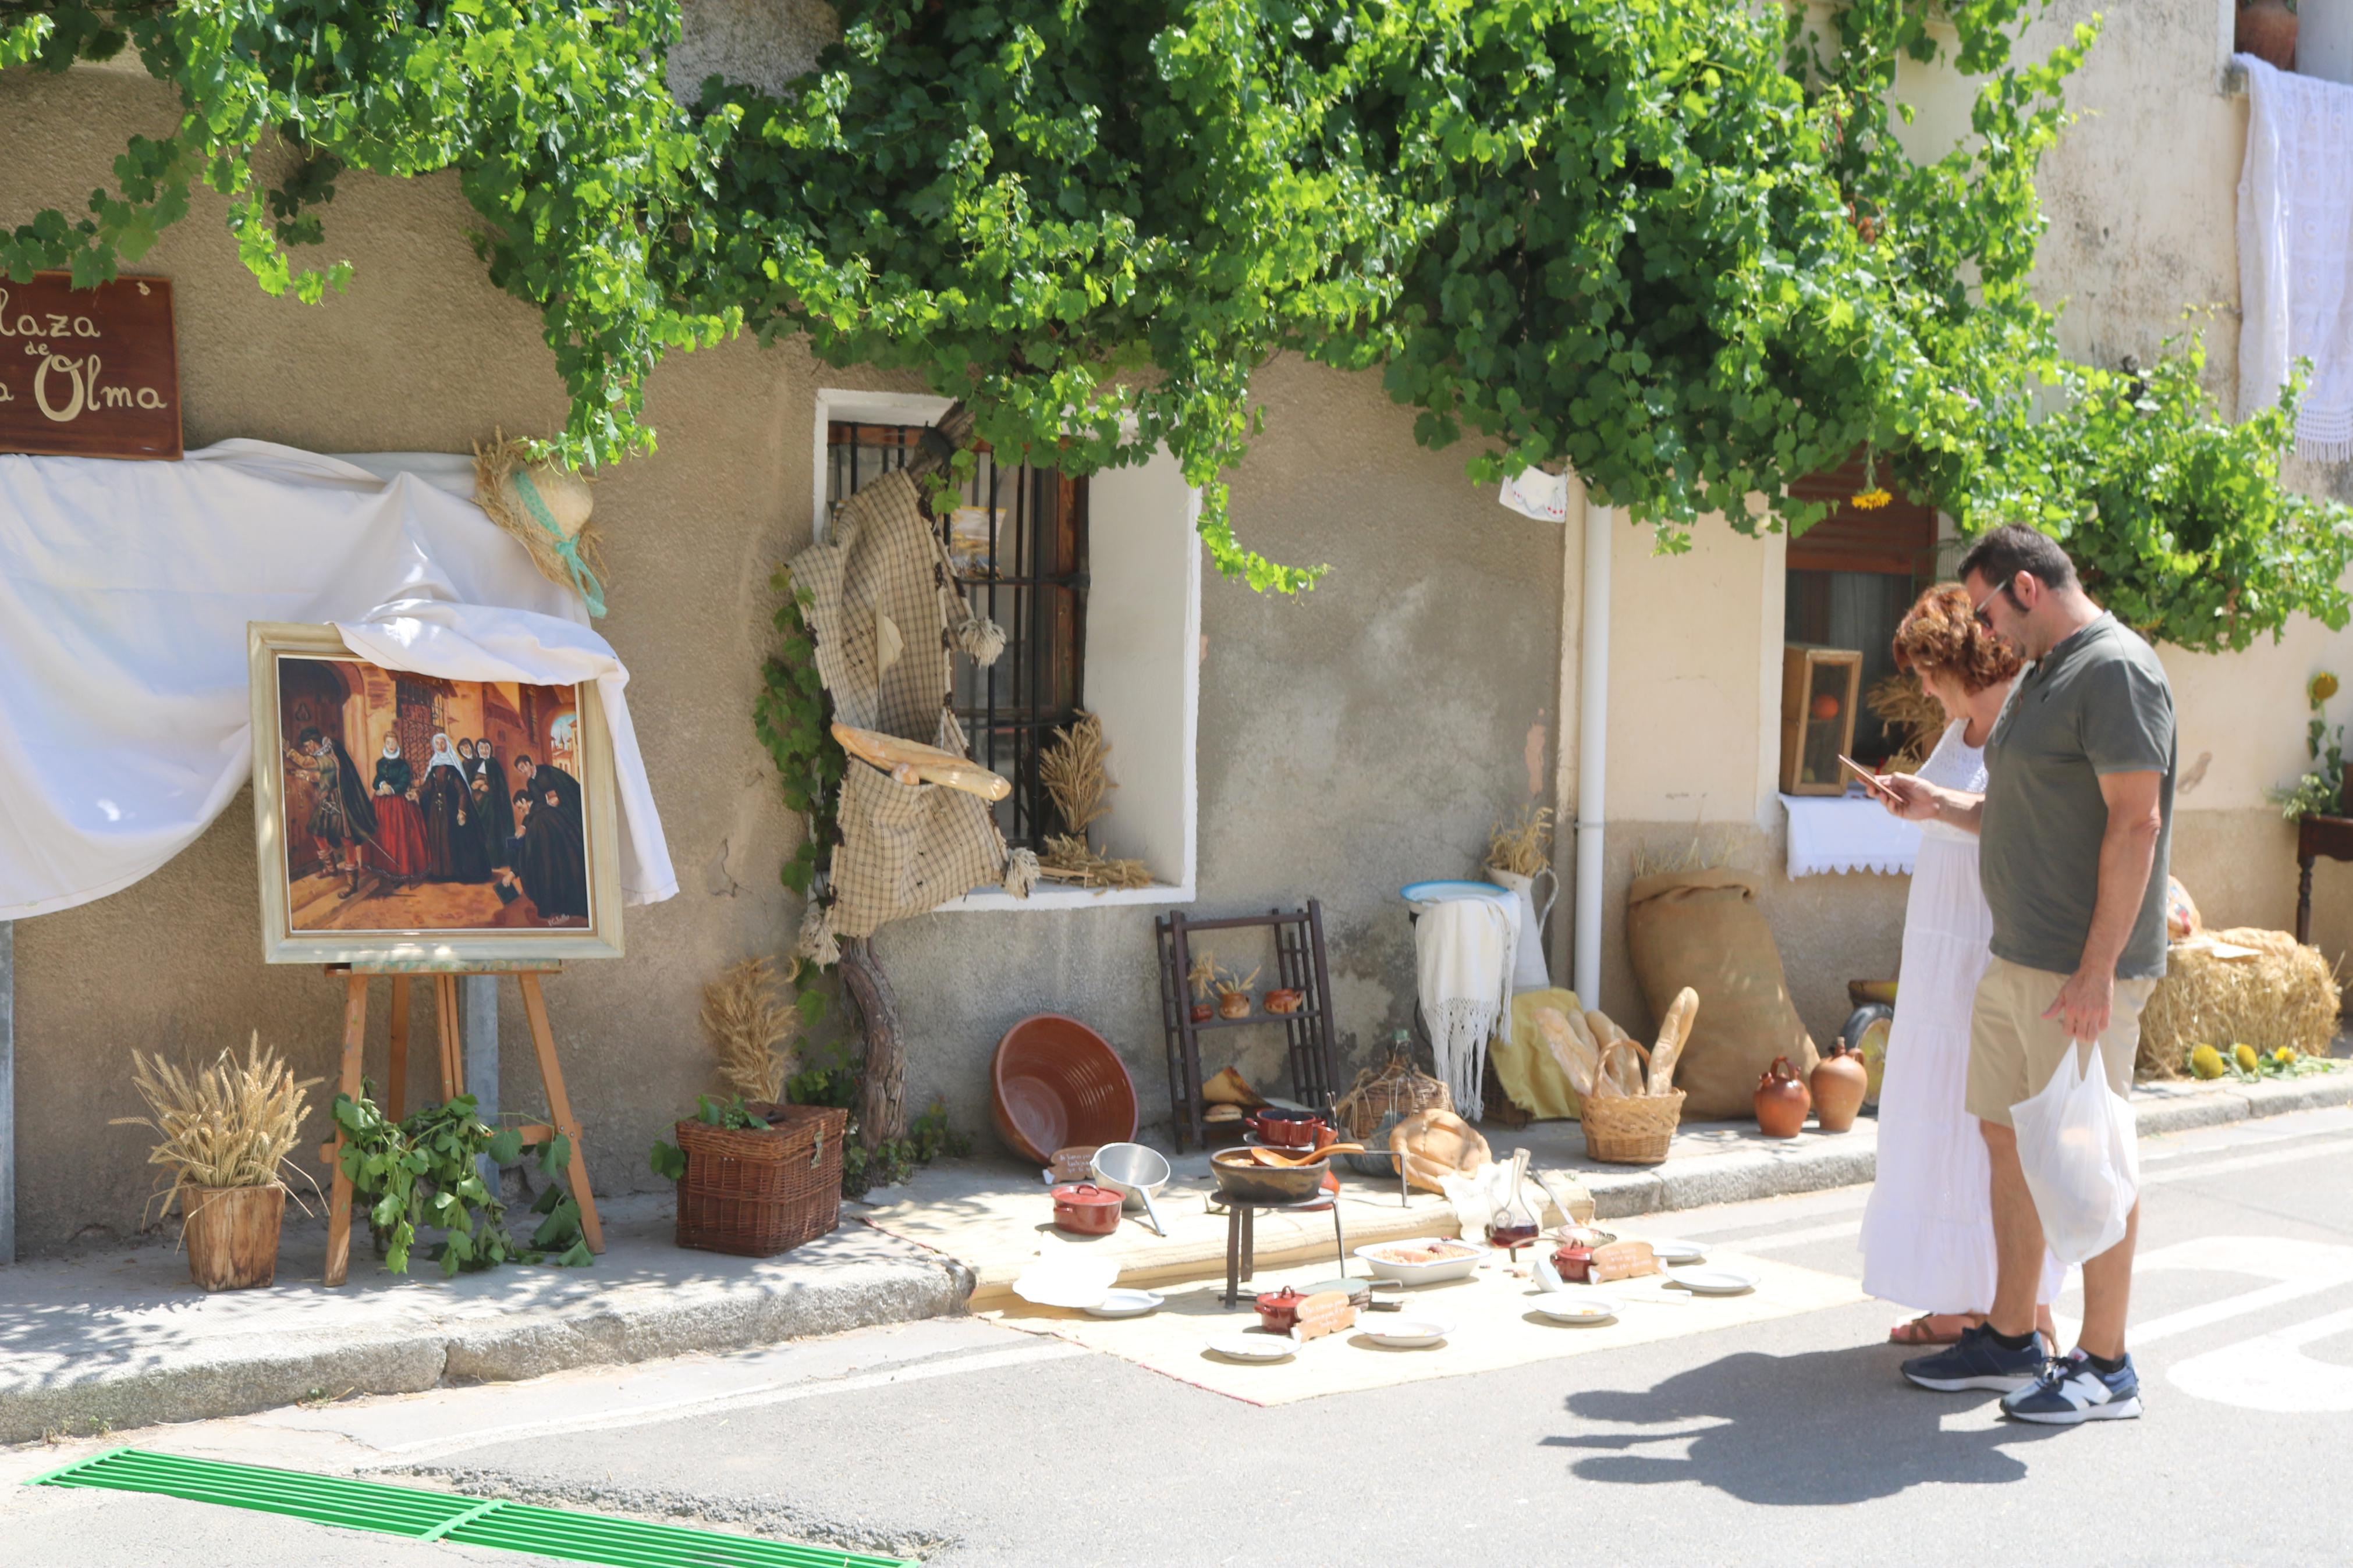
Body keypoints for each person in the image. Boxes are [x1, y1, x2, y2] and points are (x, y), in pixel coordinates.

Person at [1878, 525, 2175, 1425]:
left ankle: (2107, 1361)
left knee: (2086, 1154)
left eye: (1984, 609)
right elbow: (2014, 809)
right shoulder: (2045, 672)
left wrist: (2094, 971)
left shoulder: (2115, 669)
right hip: (2015, 959)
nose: (1982, 629)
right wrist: (1938, 804)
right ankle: (2010, 1336)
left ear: (2023, 586)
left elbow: (2135, 823)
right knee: (2007, 1142)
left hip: (2074, 972)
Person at [1859, 585, 2060, 1347]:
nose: (1917, 684)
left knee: (1997, 1129)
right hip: (1940, 948)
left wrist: (1932, 805)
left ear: (1954, 662)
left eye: (1923, 669)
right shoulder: (1959, 727)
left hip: (1987, 941)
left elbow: (2016, 823)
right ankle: (1956, 1295)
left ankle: (2023, 1302)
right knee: (1941, 1117)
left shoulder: (2018, 719)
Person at [284, 727, 377, 899]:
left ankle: (352, 883)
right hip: (329, 802)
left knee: (347, 839)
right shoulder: (325, 753)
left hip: (341, 801)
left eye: (307, 746)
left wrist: (290, 752)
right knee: (316, 831)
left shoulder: (328, 753)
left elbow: (310, 765)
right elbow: (325, 774)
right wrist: (309, 776)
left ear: (312, 742)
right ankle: (331, 867)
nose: (307, 750)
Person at [513, 781, 590, 920]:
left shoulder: (538, 820)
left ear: (525, 801)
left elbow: (531, 851)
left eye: (520, 807)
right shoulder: (544, 810)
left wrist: (515, 871)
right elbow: (529, 818)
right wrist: (524, 827)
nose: (520, 810)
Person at [367, 735, 428, 886]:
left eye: (394, 742)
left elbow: (403, 783)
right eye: (388, 743)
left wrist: (390, 790)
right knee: (384, 836)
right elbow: (376, 780)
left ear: (397, 744)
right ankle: (384, 869)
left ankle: (400, 873)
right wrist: (381, 786)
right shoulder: (380, 763)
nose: (391, 745)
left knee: (399, 838)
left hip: (399, 805)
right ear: (385, 744)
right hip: (382, 805)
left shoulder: (403, 765)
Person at [467, 736, 515, 865]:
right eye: (481, 748)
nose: (484, 750)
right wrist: (474, 784)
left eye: (486, 748)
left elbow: (500, 787)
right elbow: (467, 782)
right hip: (476, 802)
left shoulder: (494, 764)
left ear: (490, 750)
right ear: (477, 750)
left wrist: (489, 787)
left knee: (491, 832)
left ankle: (493, 860)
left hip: (492, 804)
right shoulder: (474, 764)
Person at [514, 751, 582, 827]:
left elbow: (567, 785)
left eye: (523, 768)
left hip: (566, 807)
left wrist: (559, 798)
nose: (523, 772)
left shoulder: (547, 771)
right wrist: (524, 825)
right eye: (520, 770)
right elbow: (535, 804)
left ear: (528, 764)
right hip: (551, 815)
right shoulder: (530, 784)